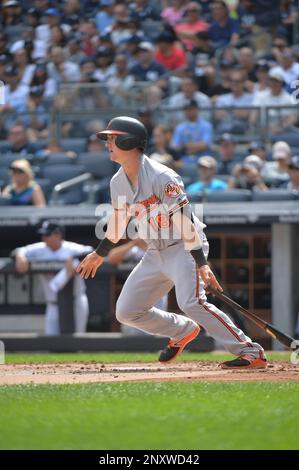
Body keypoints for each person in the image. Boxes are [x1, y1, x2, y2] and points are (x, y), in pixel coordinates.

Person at [77, 116, 267, 369]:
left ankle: (249, 350)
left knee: (192, 301)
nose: (107, 143)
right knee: (127, 311)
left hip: (183, 247)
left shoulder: (161, 175)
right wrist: (99, 254)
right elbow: (118, 221)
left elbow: (184, 219)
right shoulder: (118, 181)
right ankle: (182, 330)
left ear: (129, 141)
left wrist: (201, 262)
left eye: (113, 138)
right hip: (155, 251)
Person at [15, 221, 92, 335]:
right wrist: (20, 256)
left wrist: (74, 258)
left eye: (47, 235)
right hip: (53, 303)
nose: (43, 238)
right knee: (51, 339)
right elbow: (19, 250)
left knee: (78, 338)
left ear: (58, 235)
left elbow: (90, 250)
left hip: (76, 301)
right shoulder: (40, 248)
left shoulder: (70, 248)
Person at [171, 99, 213, 163]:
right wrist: (196, 146)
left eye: (191, 109)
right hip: (184, 162)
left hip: (203, 161)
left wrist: (185, 147)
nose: (188, 112)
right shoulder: (180, 127)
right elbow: (175, 147)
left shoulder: (206, 125)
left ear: (196, 109)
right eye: (186, 109)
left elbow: (204, 145)